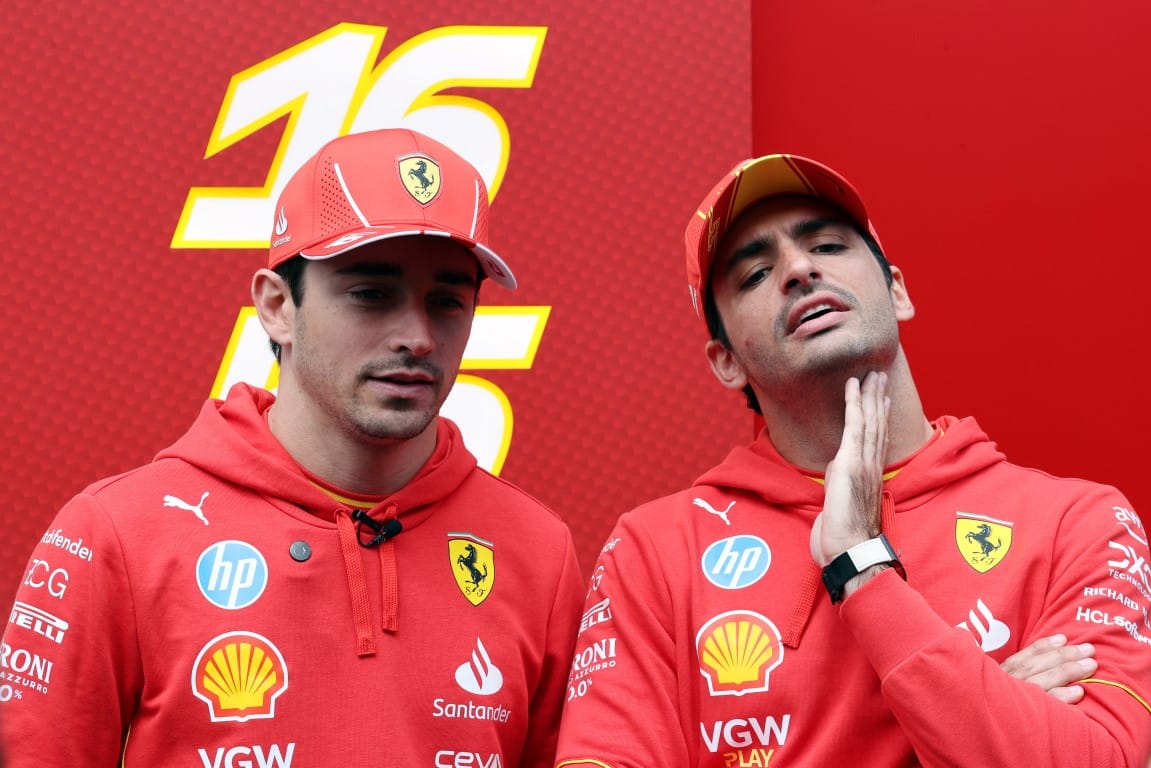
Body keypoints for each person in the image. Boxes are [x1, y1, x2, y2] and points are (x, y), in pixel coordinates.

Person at [0, 128, 584, 766]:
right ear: (277, 306)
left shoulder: (539, 551)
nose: (417, 336)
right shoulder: (116, 533)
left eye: (446, 301)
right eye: (371, 294)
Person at [554, 153, 1151, 766]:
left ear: (897, 290)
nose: (799, 269)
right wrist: (987, 712)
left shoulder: (1081, 524)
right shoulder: (653, 553)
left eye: (829, 245)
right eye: (755, 274)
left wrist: (860, 567)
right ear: (725, 360)